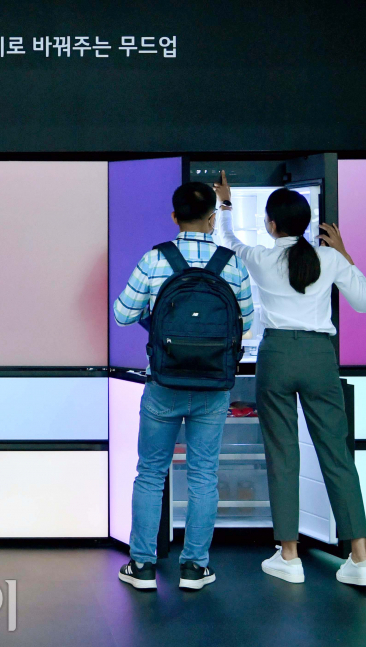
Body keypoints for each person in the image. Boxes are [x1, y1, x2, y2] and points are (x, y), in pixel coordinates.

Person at [213, 172, 366, 586]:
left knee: (283, 455)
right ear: (307, 223)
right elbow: (365, 303)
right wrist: (344, 252)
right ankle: (360, 557)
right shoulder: (329, 259)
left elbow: (227, 241)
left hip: (277, 356)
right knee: (336, 455)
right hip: (320, 357)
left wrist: (226, 204)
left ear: (271, 225)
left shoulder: (261, 258)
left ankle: (289, 557)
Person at [113, 182, 254, 591]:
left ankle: (142, 566)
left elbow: (123, 314)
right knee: (203, 475)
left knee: (151, 473)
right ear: (212, 218)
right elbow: (246, 322)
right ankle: (194, 568)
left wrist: (154, 315)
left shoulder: (156, 259)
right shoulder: (231, 263)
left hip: (164, 382)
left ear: (174, 217)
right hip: (213, 385)